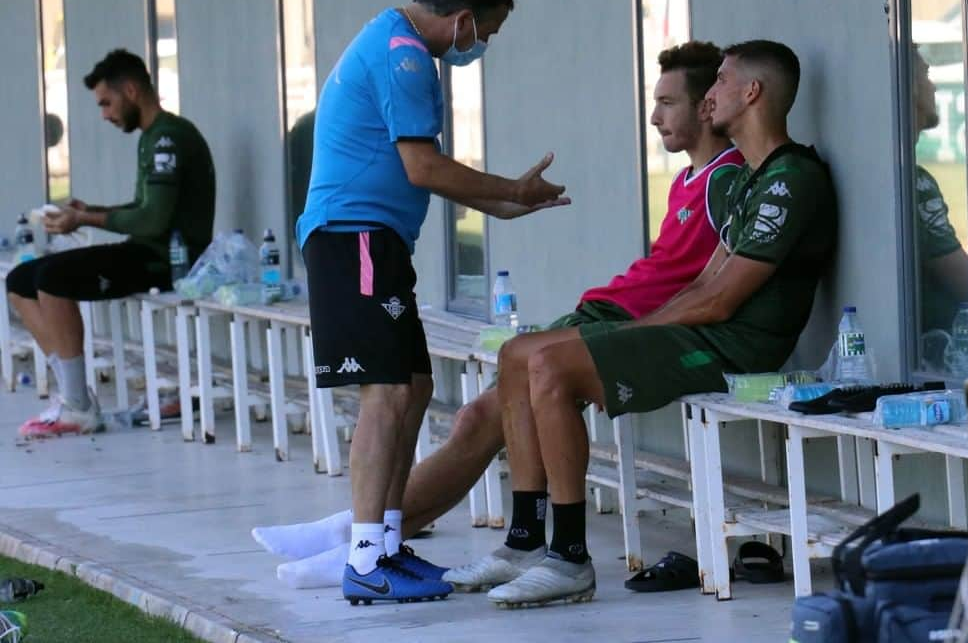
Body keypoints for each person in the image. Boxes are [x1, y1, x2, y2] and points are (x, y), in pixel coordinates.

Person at [252, 40, 745, 591]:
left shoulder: (728, 180)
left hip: (625, 329)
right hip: (602, 313)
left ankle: (360, 543)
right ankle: (359, 536)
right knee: (480, 415)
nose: (654, 116)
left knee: (478, 418)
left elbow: (715, 283)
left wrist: (637, 327)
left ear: (706, 106)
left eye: (668, 102)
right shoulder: (686, 179)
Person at [467, 39, 839, 608]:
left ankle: (568, 558)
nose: (710, 94)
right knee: (518, 353)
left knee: (548, 365)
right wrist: (631, 330)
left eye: (719, 82)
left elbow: (718, 303)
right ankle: (523, 540)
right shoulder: (751, 178)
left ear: (752, 92)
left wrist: (627, 335)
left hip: (735, 350)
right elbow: (699, 286)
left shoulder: (793, 179)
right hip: (699, 332)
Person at [296, 0, 569, 605]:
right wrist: (507, 188)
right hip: (352, 237)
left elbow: (425, 169)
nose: (483, 47)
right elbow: (423, 166)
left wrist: (510, 201)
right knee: (386, 393)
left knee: (413, 386)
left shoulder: (393, 42)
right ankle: (366, 559)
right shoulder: (407, 54)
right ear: (465, 20)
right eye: (489, 33)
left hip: (375, 240)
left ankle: (387, 546)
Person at [8, 49, 215, 438]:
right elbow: (145, 207)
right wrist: (93, 210)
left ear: (132, 90)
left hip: (169, 262)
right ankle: (72, 395)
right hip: (144, 250)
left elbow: (153, 220)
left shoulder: (169, 138)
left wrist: (84, 218)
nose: (104, 114)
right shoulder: (152, 136)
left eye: (107, 102)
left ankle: (78, 408)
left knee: (53, 278)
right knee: (19, 281)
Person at [911, 49, 968, 335]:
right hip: (936, 351)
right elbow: (965, 283)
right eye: (926, 74)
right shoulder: (916, 183)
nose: (932, 86)